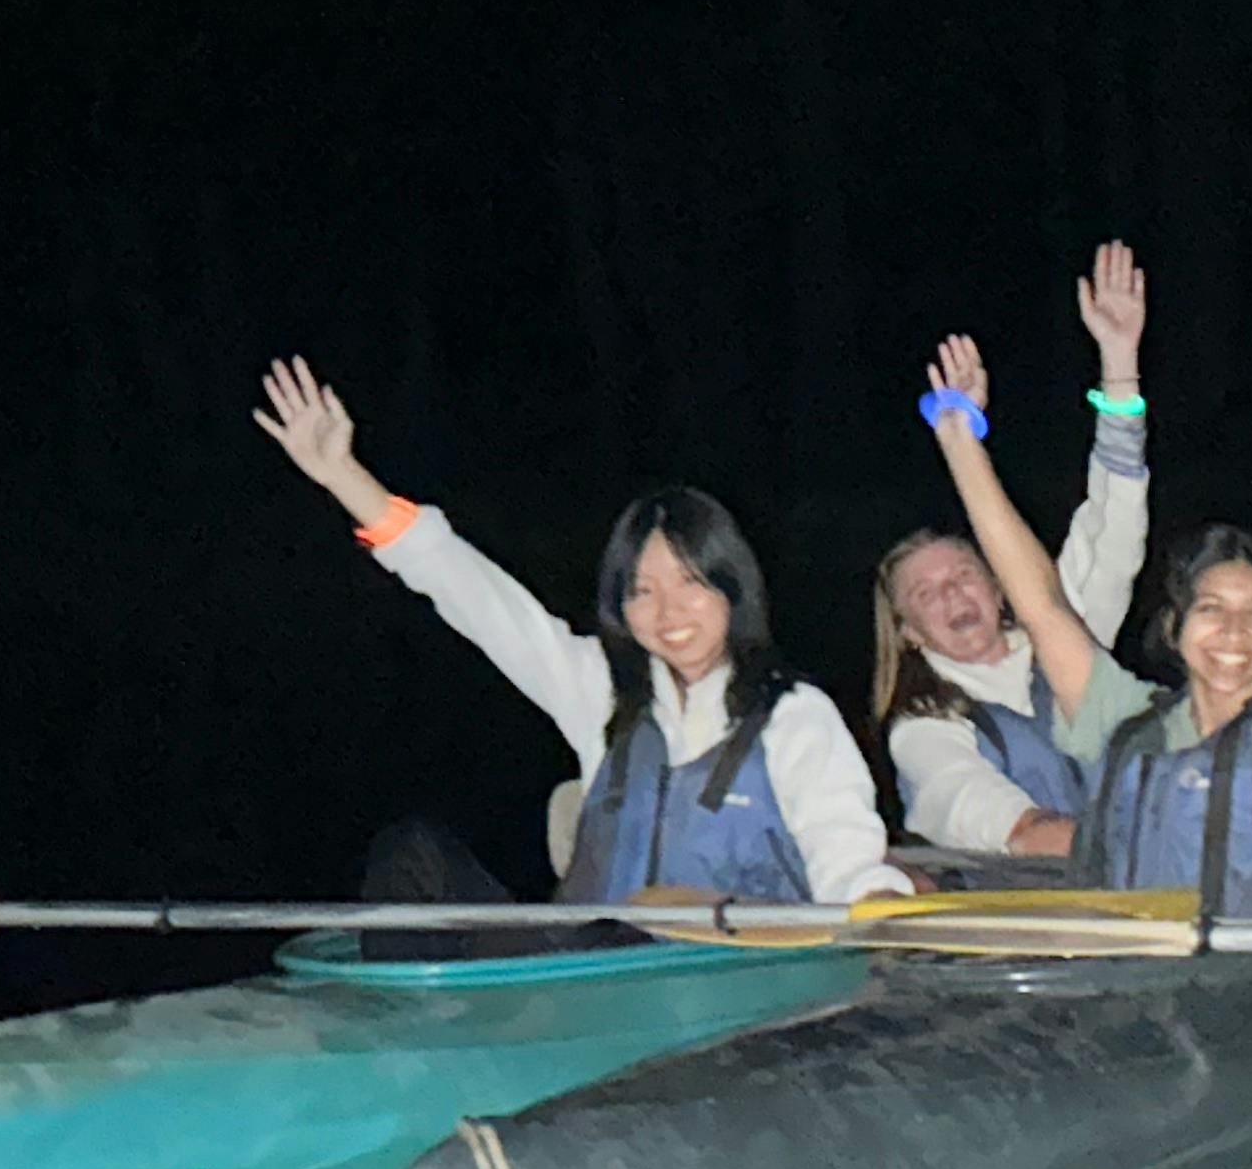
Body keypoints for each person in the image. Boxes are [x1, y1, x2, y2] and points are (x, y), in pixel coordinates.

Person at [254, 360, 913, 922]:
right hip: (592, 971)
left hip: (739, 978)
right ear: (620, 605)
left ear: (730, 591)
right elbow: (468, 591)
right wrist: (343, 476)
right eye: (642, 590)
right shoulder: (598, 687)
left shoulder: (795, 716)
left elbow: (844, 854)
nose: (667, 611)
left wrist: (877, 902)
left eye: (690, 584)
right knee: (412, 853)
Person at [918, 335, 1252, 928]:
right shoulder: (1130, 720)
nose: (1235, 632)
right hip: (1133, 996)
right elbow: (1043, 607)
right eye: (1211, 609)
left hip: (1251, 997)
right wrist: (960, 439)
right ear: (1174, 629)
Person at [874, 242, 1155, 857]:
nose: (952, 595)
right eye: (926, 594)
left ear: (1001, 585)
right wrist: (1178, 838)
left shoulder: (1068, 638)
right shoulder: (924, 730)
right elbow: (1024, 833)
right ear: (908, 633)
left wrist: (1118, 363)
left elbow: (1115, 520)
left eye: (965, 575)